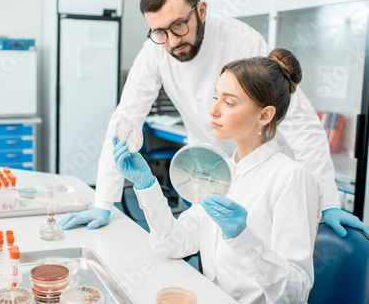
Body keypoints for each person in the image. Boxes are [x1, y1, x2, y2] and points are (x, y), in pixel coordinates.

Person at [59, 0, 369, 237]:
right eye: (159, 31)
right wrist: (104, 201)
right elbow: (124, 121)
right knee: (209, 253)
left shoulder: (241, 40)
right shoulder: (154, 51)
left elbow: (299, 120)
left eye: (179, 25)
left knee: (258, 253)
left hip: (261, 162)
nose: (170, 41)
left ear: (202, 10)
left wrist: (328, 200)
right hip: (207, 167)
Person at [113, 48, 320, 304]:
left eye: (229, 102)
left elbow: (296, 293)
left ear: (265, 115)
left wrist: (243, 237)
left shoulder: (292, 179)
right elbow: (172, 244)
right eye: (216, 97)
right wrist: (147, 186)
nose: (213, 110)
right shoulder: (223, 171)